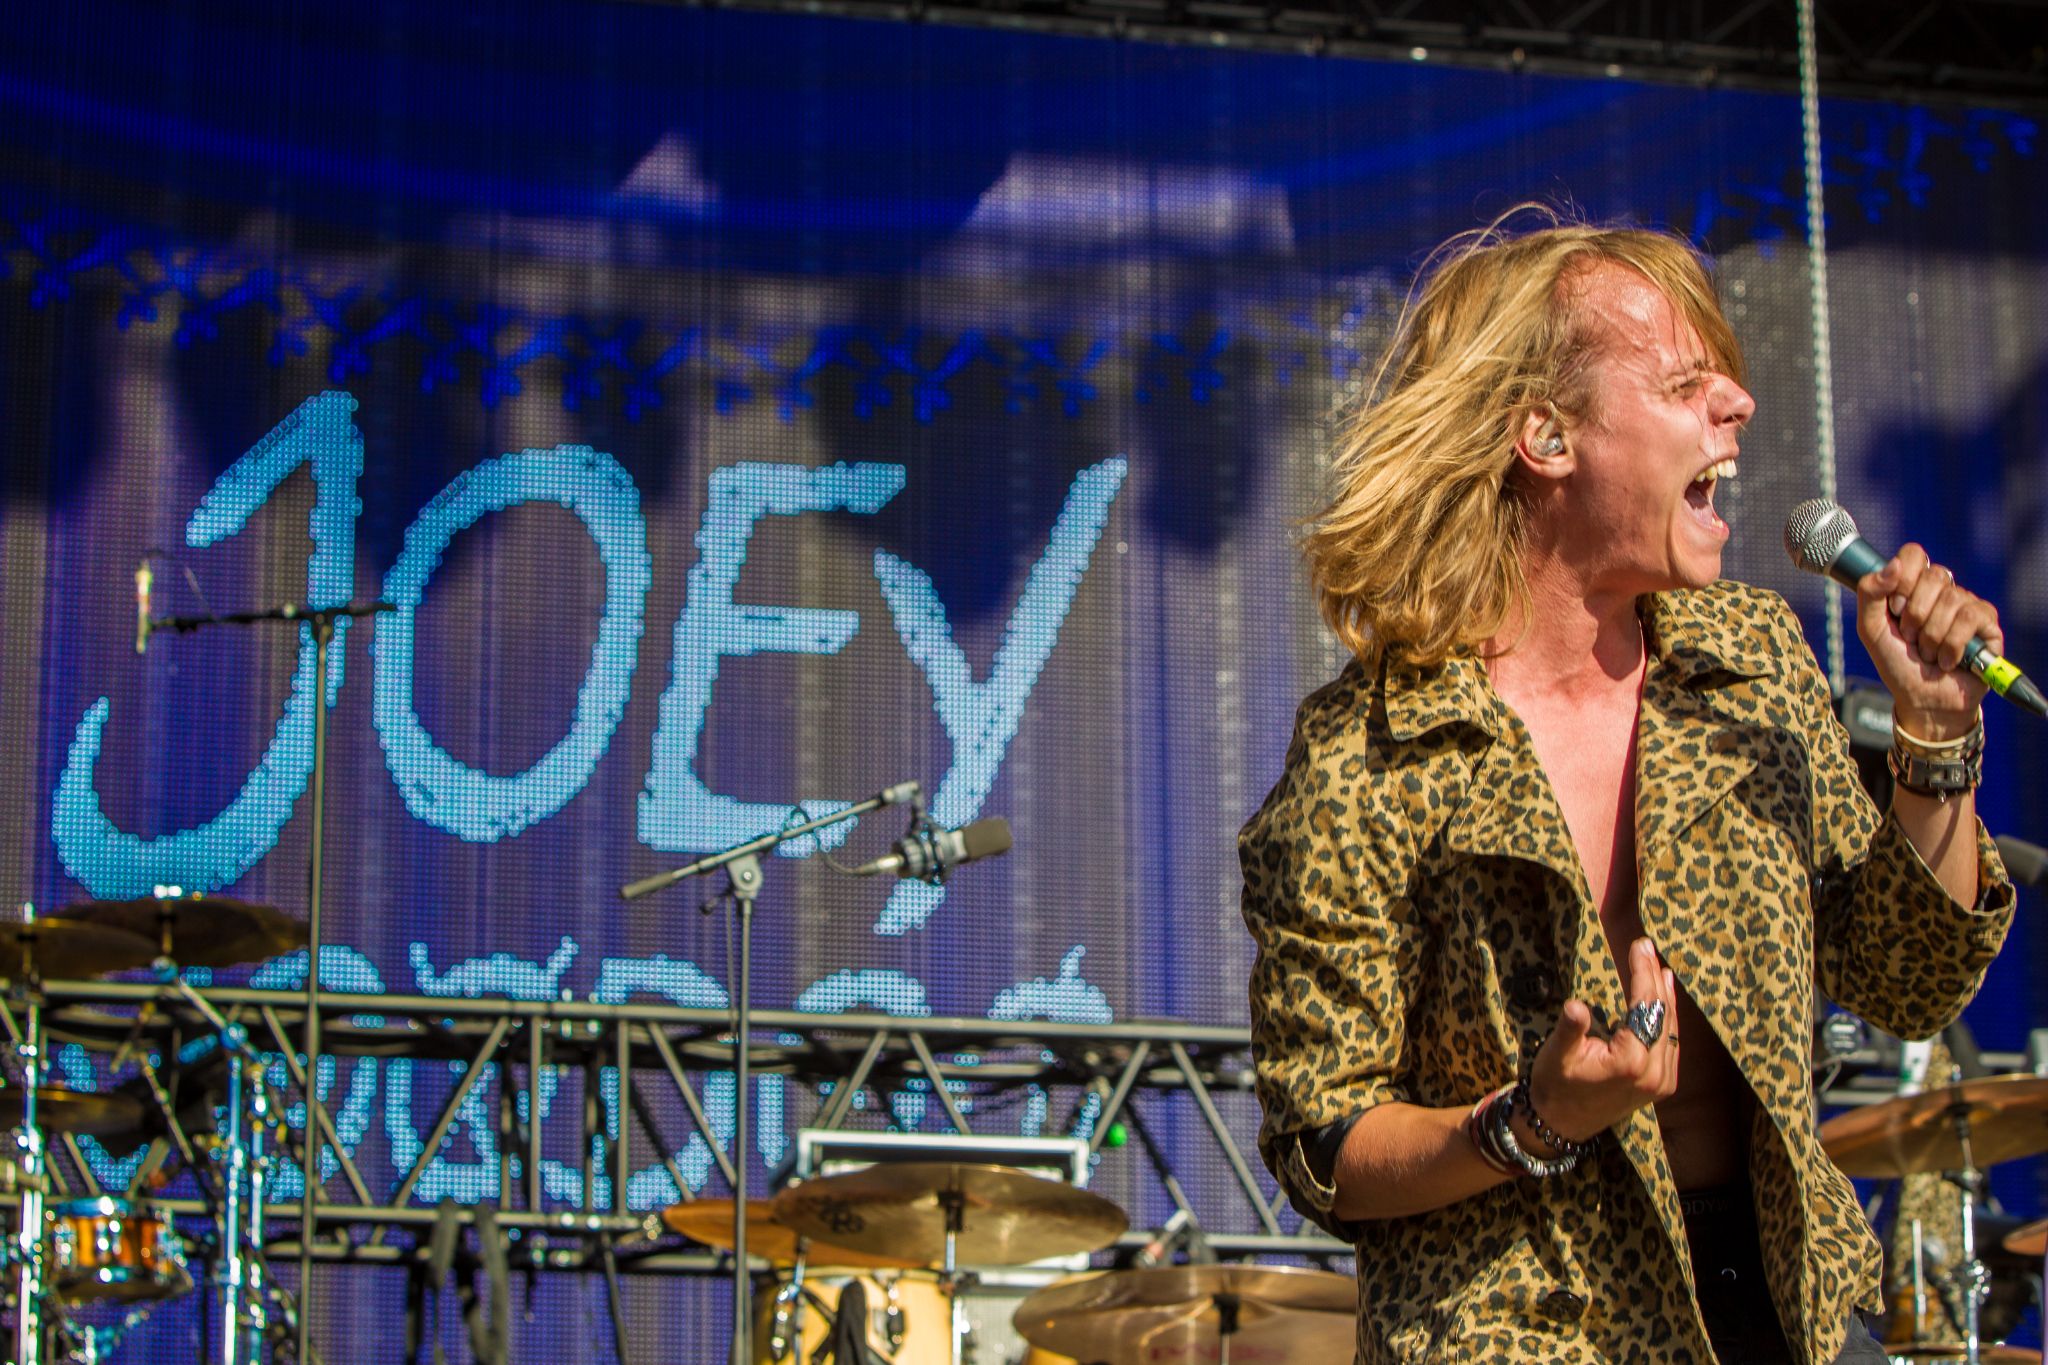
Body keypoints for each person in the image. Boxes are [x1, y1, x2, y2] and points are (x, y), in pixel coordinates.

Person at [1239, 209, 2015, 1364]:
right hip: (1527, 1331)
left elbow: (1902, 979)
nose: (1736, 406)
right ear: (1545, 437)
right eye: (1683, 382)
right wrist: (1533, 1122)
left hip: (1789, 1309)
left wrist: (1934, 737)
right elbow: (1322, 1144)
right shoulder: (1367, 754)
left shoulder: (1747, 657)